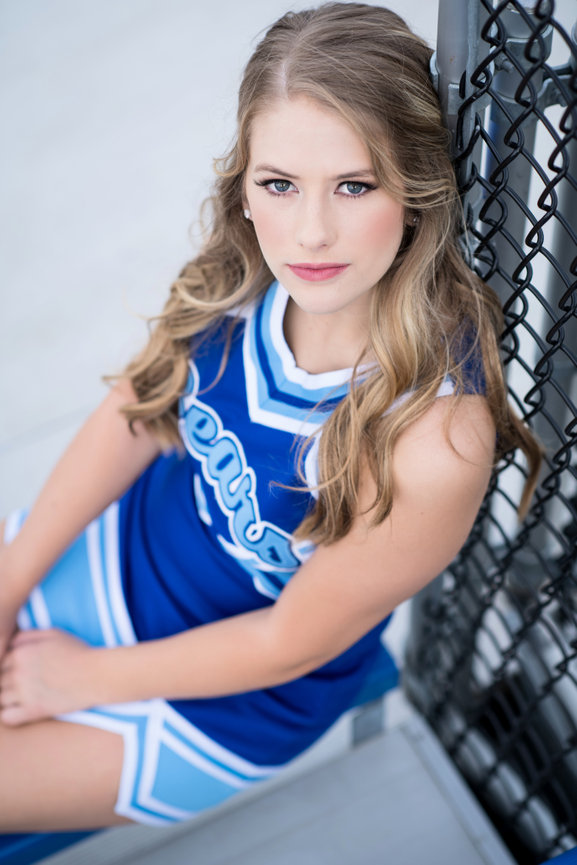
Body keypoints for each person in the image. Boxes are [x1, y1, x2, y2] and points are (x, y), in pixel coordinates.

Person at [0, 2, 541, 831]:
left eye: (355, 185)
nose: (310, 231)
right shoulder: (250, 268)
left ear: (415, 191)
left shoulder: (434, 434)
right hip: (122, 552)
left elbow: (291, 640)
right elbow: (137, 409)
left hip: (225, 695)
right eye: (279, 184)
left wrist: (80, 679)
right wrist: (10, 583)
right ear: (246, 185)